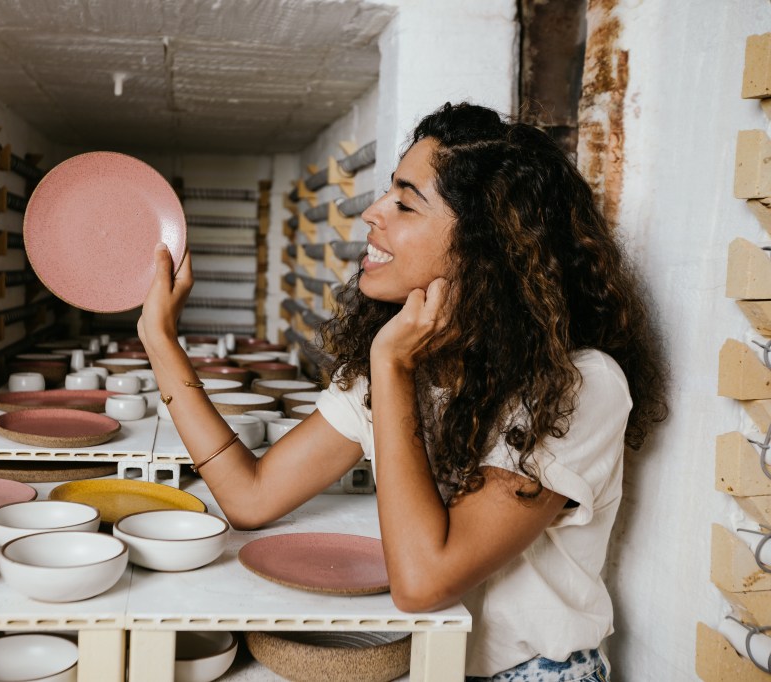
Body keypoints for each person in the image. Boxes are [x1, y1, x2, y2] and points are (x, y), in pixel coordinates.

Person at [137, 101, 667, 681]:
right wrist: (162, 342)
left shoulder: (577, 386)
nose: (371, 213)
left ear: (485, 244)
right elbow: (250, 497)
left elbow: (422, 584)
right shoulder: (398, 363)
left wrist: (389, 367)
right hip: (424, 664)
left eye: (405, 202)